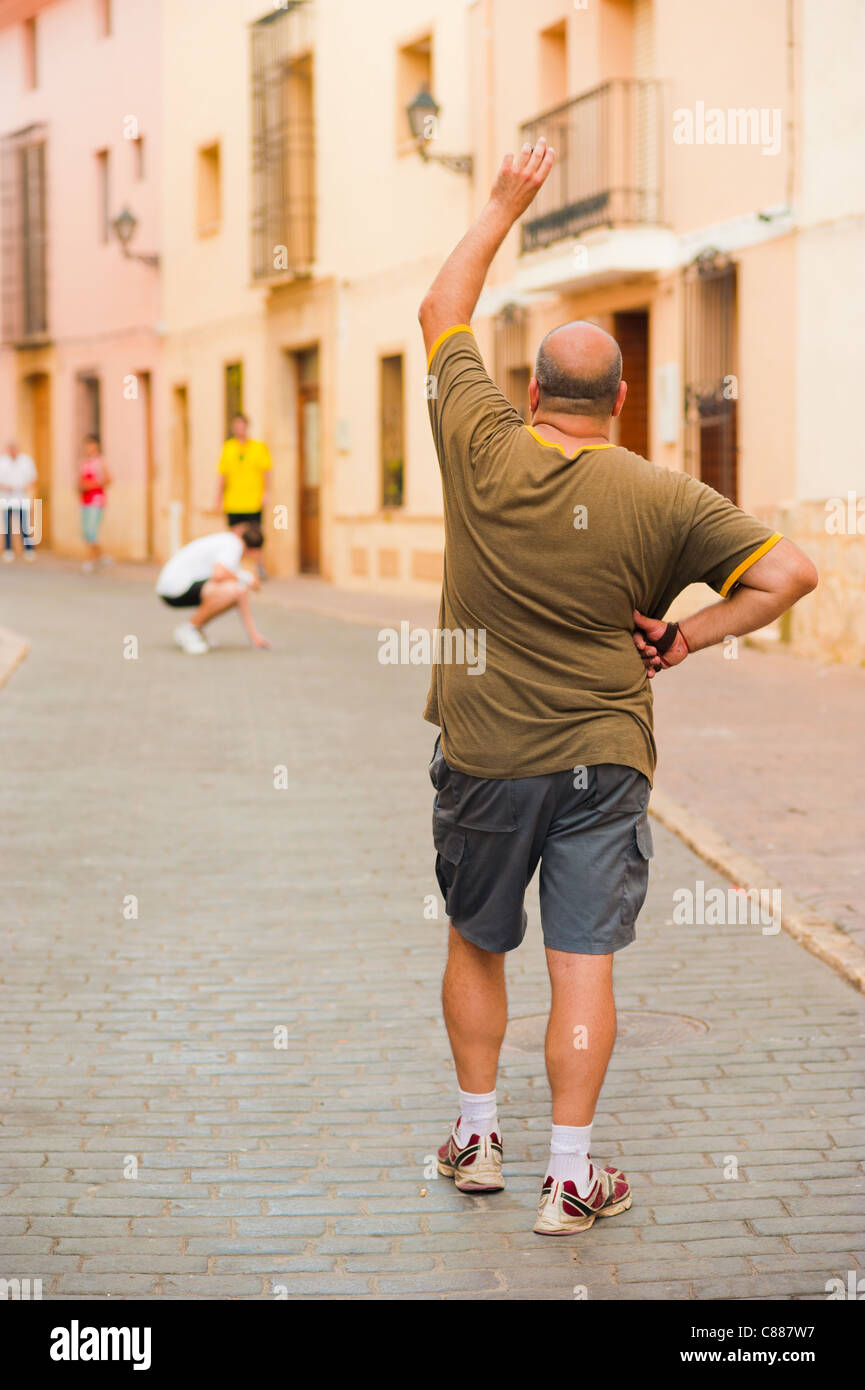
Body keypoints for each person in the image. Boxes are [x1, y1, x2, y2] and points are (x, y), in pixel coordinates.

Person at [418, 138, 818, 1236]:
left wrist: (504, 202)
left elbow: (440, 308)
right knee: (581, 961)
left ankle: (479, 1142)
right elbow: (790, 573)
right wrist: (692, 633)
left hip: (485, 752)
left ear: (531, 390)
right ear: (622, 399)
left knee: (475, 942)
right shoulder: (661, 492)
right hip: (604, 759)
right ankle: (570, 1178)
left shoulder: (478, 442)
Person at [155, 521, 271, 655]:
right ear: (256, 551)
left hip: (175, 587)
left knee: (236, 589)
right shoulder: (233, 545)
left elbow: (241, 595)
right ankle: (189, 630)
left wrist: (254, 635)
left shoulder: (230, 544)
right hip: (175, 589)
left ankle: (195, 630)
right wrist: (248, 577)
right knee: (232, 590)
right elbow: (218, 575)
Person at [215, 414, 271, 578]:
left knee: (256, 536)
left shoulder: (258, 447)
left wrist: (266, 492)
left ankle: (259, 566)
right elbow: (222, 475)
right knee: (235, 537)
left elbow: (266, 472)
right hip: (233, 500)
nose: (240, 429)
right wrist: (218, 497)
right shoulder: (228, 447)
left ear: (247, 427)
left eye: (242, 425)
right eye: (237, 426)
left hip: (253, 500)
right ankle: (235, 565)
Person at [78, 435, 112, 573]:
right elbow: (80, 481)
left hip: (96, 501)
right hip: (85, 501)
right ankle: (102, 556)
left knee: (92, 531)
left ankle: (91, 559)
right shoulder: (84, 463)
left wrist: (91, 485)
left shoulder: (100, 462)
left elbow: (108, 479)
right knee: (86, 532)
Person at [0, 442, 38, 563]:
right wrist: (5, 487)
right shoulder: (3, 462)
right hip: (6, 498)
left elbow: (33, 478)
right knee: (6, 525)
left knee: (25, 524)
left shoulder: (26, 461)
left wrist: (25, 486)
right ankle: (8, 549)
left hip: (22, 498)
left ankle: (28, 549)